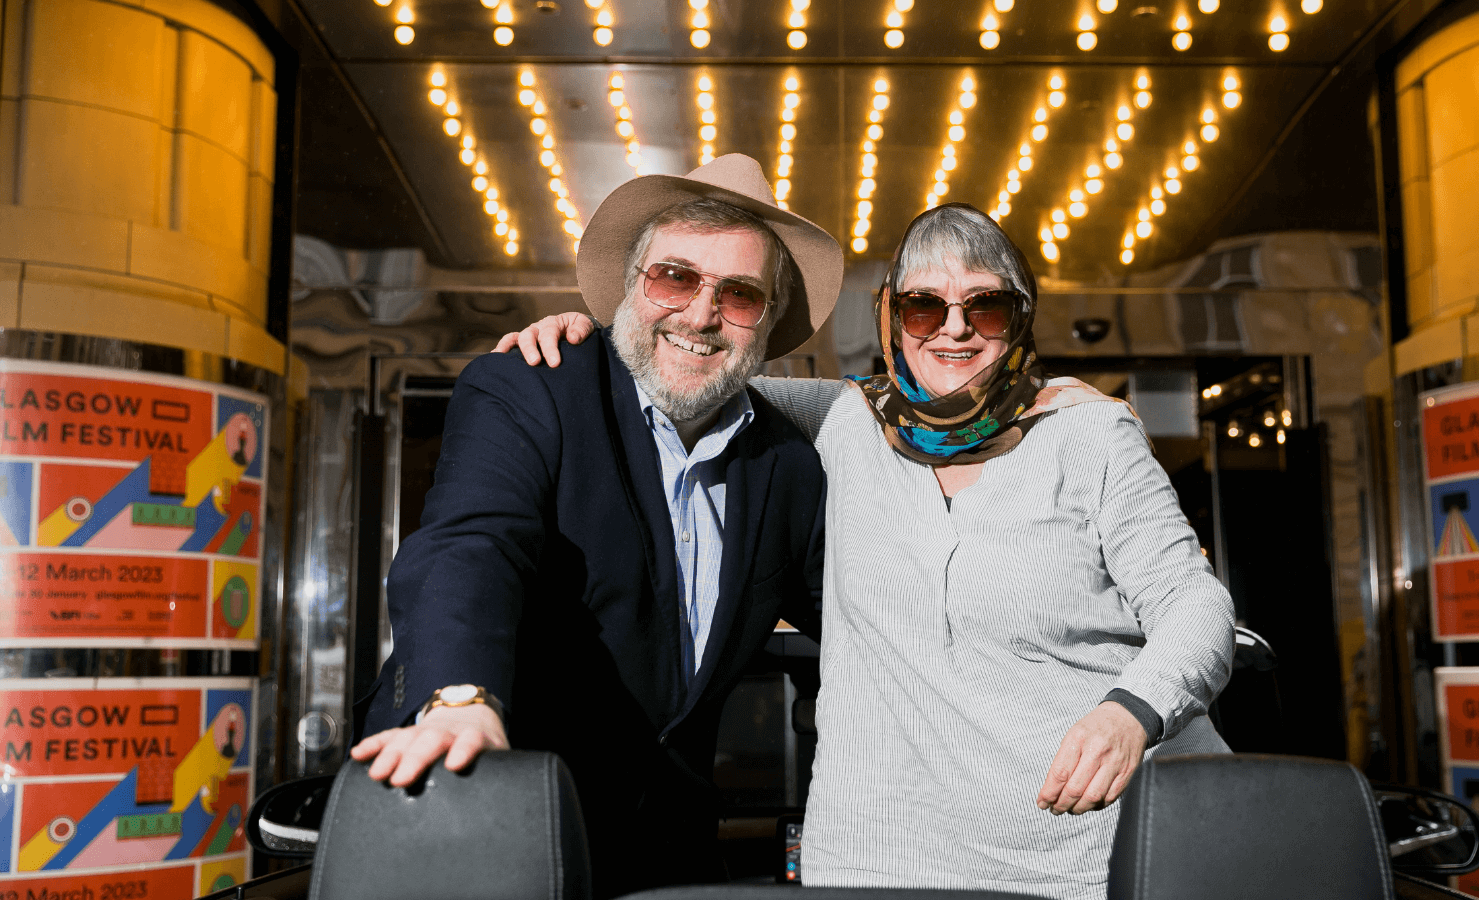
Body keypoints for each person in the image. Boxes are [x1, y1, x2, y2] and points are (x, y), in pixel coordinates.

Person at [501, 203, 1235, 900]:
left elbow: (1196, 604)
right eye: (924, 307)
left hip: (1076, 863)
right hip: (872, 863)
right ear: (891, 316)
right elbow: (693, 361)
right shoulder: (851, 421)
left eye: (986, 306)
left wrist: (1132, 712)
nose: (955, 331)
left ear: (1021, 319)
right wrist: (593, 344)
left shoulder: (1087, 432)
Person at [351, 154, 843, 898]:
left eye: (739, 295)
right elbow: (471, 543)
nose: (701, 315)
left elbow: (867, 617)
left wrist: (1018, 408)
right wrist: (460, 698)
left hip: (667, 860)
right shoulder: (534, 385)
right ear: (631, 286)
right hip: (489, 826)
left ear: (768, 323)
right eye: (674, 278)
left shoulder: (789, 466)